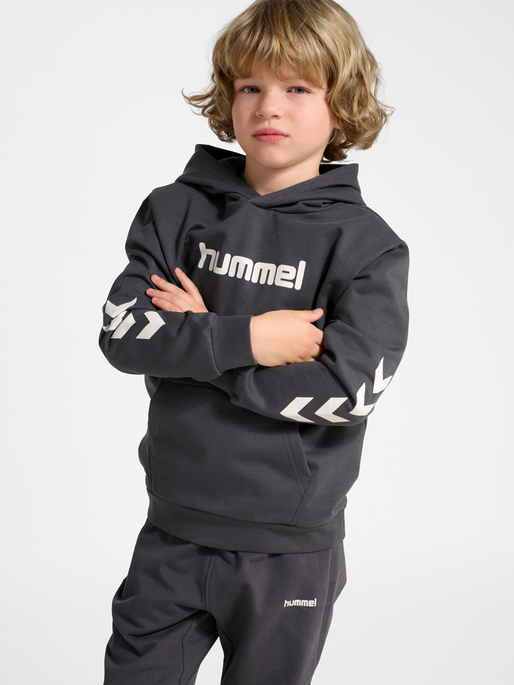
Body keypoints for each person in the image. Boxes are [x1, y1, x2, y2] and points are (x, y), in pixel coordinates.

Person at [99, 0, 409, 683]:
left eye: (298, 87)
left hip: (288, 553)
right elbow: (123, 333)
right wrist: (252, 338)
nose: (270, 106)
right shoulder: (176, 210)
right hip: (171, 531)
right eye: (250, 86)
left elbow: (344, 393)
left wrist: (203, 344)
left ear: (342, 104)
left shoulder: (367, 247)